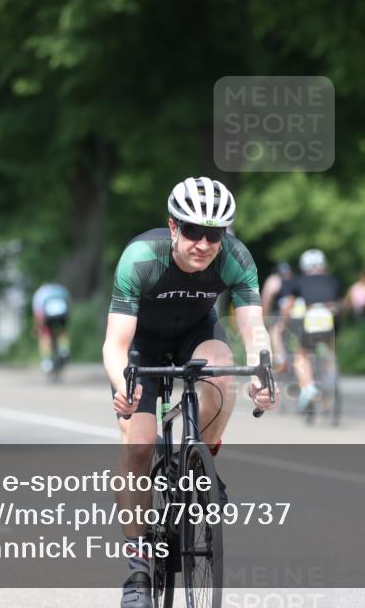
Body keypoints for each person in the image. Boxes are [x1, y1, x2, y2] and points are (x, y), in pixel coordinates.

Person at [102, 176, 275, 608]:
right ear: (173, 226)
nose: (203, 243)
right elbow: (116, 343)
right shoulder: (141, 258)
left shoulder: (235, 257)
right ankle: (138, 570)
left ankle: (203, 461)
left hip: (196, 335)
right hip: (143, 344)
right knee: (138, 445)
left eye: (214, 234)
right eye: (193, 231)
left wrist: (263, 369)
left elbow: (253, 326)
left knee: (222, 368)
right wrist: (122, 383)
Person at [279, 248, 343, 411]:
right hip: (330, 321)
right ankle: (331, 377)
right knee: (330, 349)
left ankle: (308, 387)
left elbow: (288, 306)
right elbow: (341, 304)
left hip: (310, 322)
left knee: (301, 353)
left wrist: (284, 322)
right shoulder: (333, 281)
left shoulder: (298, 282)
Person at [261, 262, 294, 371]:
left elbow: (267, 298)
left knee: (275, 334)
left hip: (280, 315)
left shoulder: (274, 280)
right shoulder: (295, 280)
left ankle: (281, 360)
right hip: (296, 315)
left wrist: (264, 318)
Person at [32, 281, 71, 373]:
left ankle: (46, 360)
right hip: (62, 313)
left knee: (45, 334)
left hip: (48, 315)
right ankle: (64, 349)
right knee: (63, 331)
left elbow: (38, 313)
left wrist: (37, 327)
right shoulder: (61, 289)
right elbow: (68, 305)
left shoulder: (40, 293)